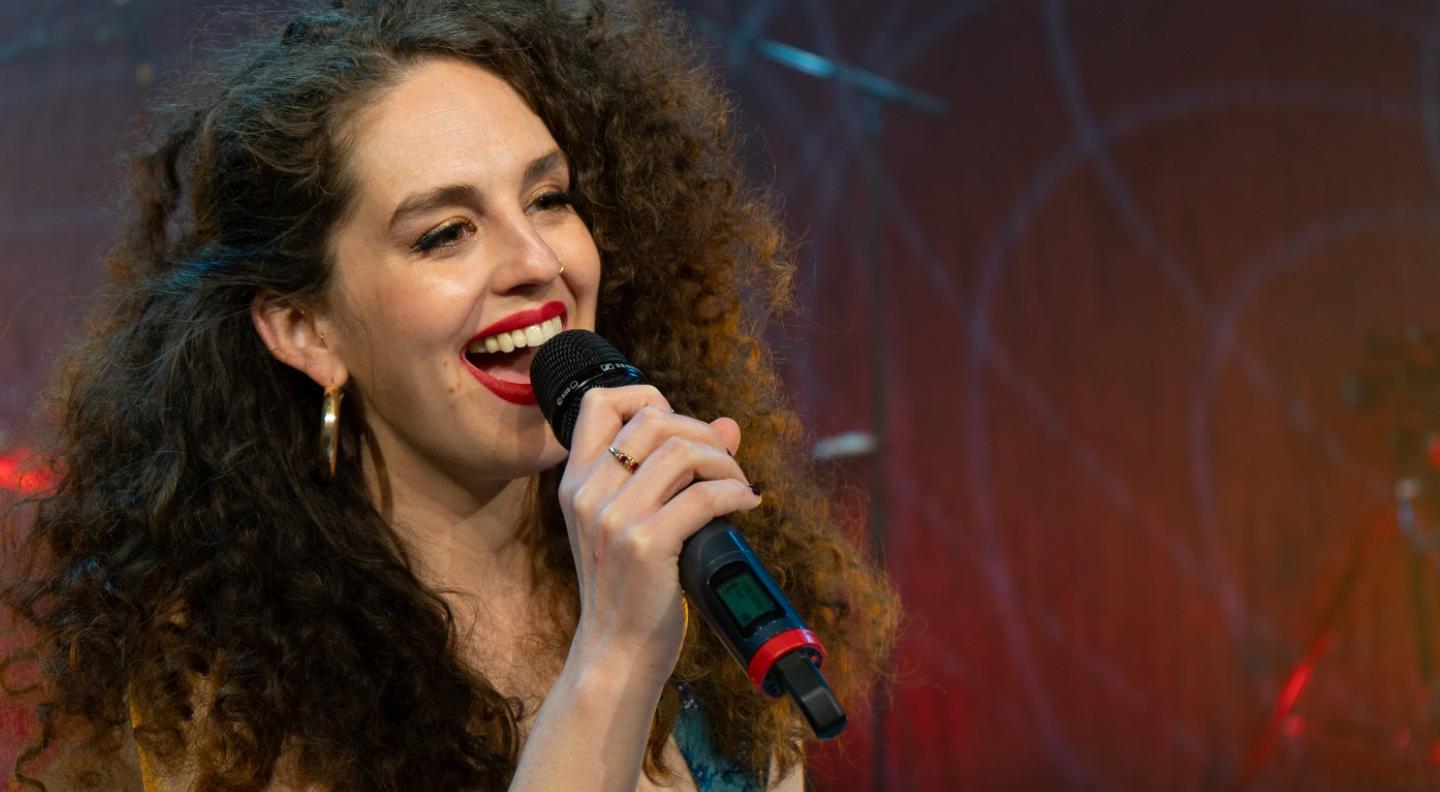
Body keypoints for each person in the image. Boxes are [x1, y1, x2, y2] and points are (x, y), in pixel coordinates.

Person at [1, 1, 898, 789]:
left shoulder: (701, 578)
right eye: (444, 233)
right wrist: (617, 657)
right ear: (305, 330)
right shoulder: (228, 694)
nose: (538, 262)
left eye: (548, 199)